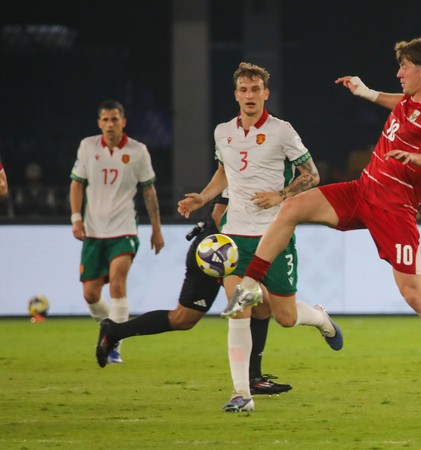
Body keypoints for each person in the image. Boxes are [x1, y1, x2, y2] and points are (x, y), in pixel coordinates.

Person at [226, 36, 421, 416]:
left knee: (414, 295)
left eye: (404, 67)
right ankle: (250, 283)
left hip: (395, 209)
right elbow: (401, 104)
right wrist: (367, 92)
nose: (398, 72)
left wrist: (417, 157)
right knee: (290, 207)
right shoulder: (411, 101)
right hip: (363, 191)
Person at [177, 62, 341, 413]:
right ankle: (241, 394)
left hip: (274, 234)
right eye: (243, 90)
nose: (249, 96)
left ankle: (320, 318)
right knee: (239, 309)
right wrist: (204, 198)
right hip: (233, 237)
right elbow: (224, 171)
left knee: (284, 316)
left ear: (266, 93)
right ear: (235, 94)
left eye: (255, 90)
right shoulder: (223, 132)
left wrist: (280, 197)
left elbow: (311, 175)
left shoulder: (282, 131)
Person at [95, 193, 292, 396]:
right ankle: (251, 381)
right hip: (215, 254)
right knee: (192, 317)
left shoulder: (260, 175)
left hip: (228, 252)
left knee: (186, 318)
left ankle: (115, 331)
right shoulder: (238, 175)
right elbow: (218, 216)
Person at [70, 100, 165, 364]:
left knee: (118, 282)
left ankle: (115, 346)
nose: (110, 124)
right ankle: (108, 329)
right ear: (99, 123)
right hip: (93, 231)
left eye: (114, 119)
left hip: (124, 230)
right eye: (105, 120)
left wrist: (156, 229)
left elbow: (149, 191)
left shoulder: (138, 151)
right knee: (90, 294)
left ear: (123, 121)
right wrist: (76, 218)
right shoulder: (88, 147)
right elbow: (77, 184)